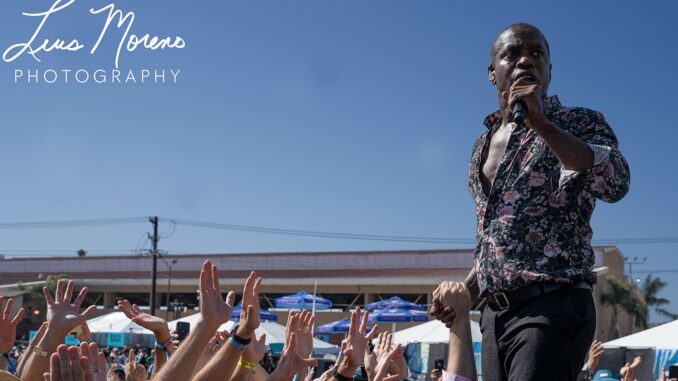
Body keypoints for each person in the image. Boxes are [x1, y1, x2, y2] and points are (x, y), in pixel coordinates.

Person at [432, 22, 630, 381]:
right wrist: (467, 291)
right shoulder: (481, 145)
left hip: (553, 304)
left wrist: (540, 123)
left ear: (549, 70)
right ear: (493, 72)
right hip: (494, 315)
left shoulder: (579, 122)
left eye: (536, 53)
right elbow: (498, 243)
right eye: (512, 53)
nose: (525, 60)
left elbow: (616, 182)